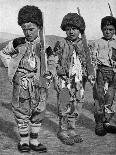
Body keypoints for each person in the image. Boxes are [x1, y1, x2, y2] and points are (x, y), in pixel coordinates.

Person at [0, 5, 47, 153]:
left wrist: (49, 74)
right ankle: (24, 142)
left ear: (39, 27)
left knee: (38, 111)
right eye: (24, 29)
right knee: (21, 112)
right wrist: (12, 68)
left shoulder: (45, 45)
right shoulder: (17, 42)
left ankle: (34, 141)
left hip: (39, 85)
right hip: (21, 85)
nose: (27, 33)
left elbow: (51, 62)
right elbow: (3, 53)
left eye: (31, 29)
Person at [47, 13, 94, 145]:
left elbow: (89, 63)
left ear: (80, 30)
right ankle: (62, 130)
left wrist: (90, 74)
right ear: (64, 29)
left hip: (79, 81)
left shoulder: (84, 45)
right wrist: (55, 78)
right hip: (64, 80)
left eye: (74, 28)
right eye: (68, 28)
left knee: (77, 104)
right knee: (64, 104)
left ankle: (72, 129)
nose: (71, 31)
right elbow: (53, 61)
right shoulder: (60, 43)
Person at [90, 16, 116, 136]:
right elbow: (93, 59)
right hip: (101, 72)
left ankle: (107, 121)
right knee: (99, 98)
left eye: (111, 29)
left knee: (110, 98)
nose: (108, 32)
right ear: (102, 29)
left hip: (114, 72)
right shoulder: (97, 43)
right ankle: (99, 122)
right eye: (105, 29)